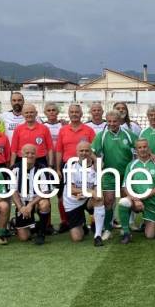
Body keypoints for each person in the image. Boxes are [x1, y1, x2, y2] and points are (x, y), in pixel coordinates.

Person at [54, 104, 96, 233]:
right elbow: (59, 150)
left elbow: (93, 150)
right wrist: (58, 169)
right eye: (72, 112)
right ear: (68, 114)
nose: (74, 114)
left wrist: (95, 165)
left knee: (89, 193)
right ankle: (65, 222)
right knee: (62, 196)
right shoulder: (63, 130)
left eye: (77, 112)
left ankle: (93, 221)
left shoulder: (88, 130)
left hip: (85, 166)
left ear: (81, 114)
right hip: (67, 166)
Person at [92, 110, 137, 228]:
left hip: (126, 174)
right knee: (108, 200)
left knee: (125, 200)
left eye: (115, 121)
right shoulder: (101, 136)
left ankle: (127, 225)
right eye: (109, 121)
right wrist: (98, 162)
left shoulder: (128, 134)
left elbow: (140, 147)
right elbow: (92, 152)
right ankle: (108, 227)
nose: (112, 124)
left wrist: (149, 155)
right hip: (109, 174)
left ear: (120, 121)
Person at [62, 141, 106, 246]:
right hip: (72, 203)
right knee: (77, 238)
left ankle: (98, 236)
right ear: (77, 152)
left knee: (99, 198)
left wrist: (91, 193)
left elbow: (96, 188)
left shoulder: (95, 168)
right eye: (81, 151)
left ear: (91, 152)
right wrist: (89, 191)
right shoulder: (70, 165)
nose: (84, 153)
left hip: (87, 200)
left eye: (87, 151)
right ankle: (83, 224)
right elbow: (71, 189)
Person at [118, 138, 155, 243]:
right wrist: (136, 199)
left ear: (149, 148)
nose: (142, 149)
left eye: (145, 147)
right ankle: (126, 233)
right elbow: (125, 186)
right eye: (140, 147)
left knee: (150, 236)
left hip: (152, 202)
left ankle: (146, 222)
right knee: (123, 202)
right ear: (136, 150)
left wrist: (145, 196)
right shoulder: (131, 165)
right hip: (136, 200)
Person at [11, 143, 52, 245]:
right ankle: (17, 223)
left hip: (36, 201)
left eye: (32, 153)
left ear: (36, 155)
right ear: (21, 154)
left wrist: (30, 204)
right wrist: (21, 207)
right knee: (24, 237)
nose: (30, 155)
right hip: (22, 203)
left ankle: (41, 233)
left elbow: (45, 192)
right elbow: (13, 191)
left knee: (45, 204)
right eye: (27, 153)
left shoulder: (42, 169)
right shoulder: (15, 169)